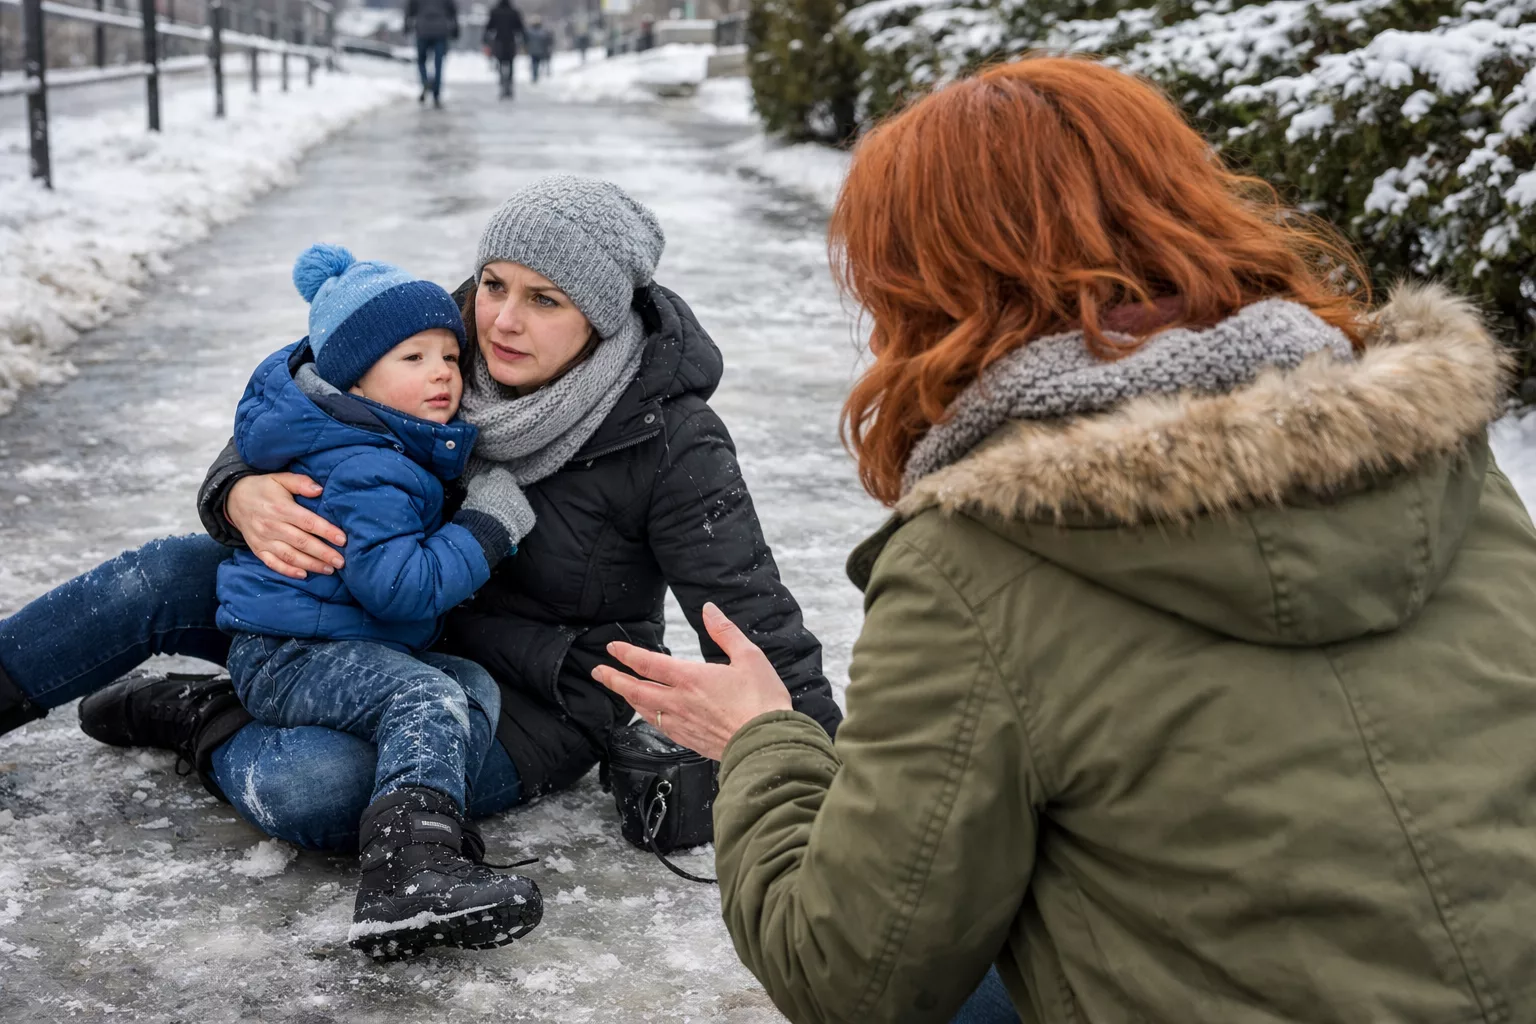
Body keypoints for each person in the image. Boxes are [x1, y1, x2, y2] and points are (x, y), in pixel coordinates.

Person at [592, 56, 1536, 1023]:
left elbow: (847, 975)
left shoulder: (986, 559)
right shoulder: (1435, 449)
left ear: (929, 288)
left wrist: (760, 738)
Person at [0, 173, 840, 862]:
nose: (503, 320)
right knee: (168, 573)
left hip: (522, 701)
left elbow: (749, 606)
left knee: (318, 791)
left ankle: (202, 716)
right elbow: (302, 404)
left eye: (545, 300)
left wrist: (821, 769)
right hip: (352, 615)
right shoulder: (442, 338)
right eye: (496, 286)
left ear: (602, 313)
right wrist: (237, 492)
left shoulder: (667, 433)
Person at [215, 244, 540, 958]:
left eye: (450, 359)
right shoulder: (372, 465)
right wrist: (489, 527)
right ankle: (408, 873)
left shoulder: (383, 444)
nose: (443, 376)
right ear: (357, 378)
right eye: (413, 359)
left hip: (330, 646)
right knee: (426, 700)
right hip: (295, 655)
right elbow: (397, 587)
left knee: (467, 688)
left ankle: (416, 840)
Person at [405, 0, 458, 108]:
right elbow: (452, 11)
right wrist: (456, 27)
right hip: (440, 30)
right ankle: (436, 93)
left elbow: (410, 9)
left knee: (421, 60)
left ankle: (425, 81)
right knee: (438, 63)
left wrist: (406, 24)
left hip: (423, 29)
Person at [482, 0, 525, 100]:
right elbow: (520, 28)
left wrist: (485, 39)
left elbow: (489, 27)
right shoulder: (514, 12)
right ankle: (509, 86)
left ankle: (502, 84)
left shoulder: (495, 11)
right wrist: (524, 39)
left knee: (500, 63)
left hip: (499, 41)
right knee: (510, 64)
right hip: (510, 41)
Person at [525, 15, 553, 83]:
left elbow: (526, 40)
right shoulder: (542, 31)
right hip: (540, 50)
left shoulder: (529, 32)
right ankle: (535, 75)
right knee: (537, 63)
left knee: (534, 63)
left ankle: (535, 75)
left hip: (532, 50)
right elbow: (546, 40)